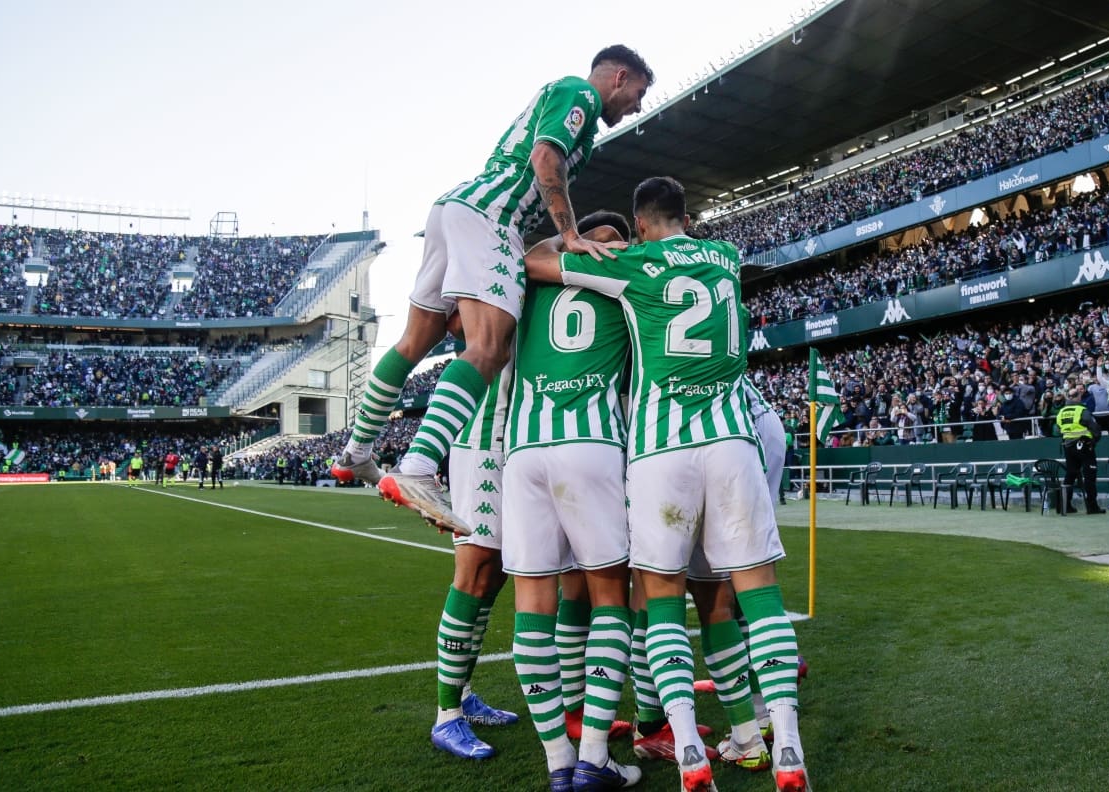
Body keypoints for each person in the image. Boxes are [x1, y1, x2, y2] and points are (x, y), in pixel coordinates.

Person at [524, 176, 809, 792]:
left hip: (661, 449)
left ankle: (686, 750)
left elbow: (537, 264)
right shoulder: (727, 257)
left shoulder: (636, 258)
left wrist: (576, 240)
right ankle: (784, 746)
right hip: (734, 440)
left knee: (660, 600)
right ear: (684, 215)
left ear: (643, 223)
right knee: (758, 592)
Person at [340, 45, 654, 534]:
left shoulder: (574, 113)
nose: (637, 105)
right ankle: (419, 467)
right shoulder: (580, 96)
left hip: (456, 208)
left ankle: (356, 453)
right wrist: (570, 234)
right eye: (638, 93)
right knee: (490, 348)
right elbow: (545, 156)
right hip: (491, 217)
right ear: (619, 77)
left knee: (413, 342)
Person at [503, 211, 639, 790]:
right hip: (591, 443)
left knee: (533, 601)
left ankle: (558, 762)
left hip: (525, 448)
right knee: (611, 595)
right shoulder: (628, 272)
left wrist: (567, 239)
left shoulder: (533, 273)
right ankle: (592, 757)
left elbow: (529, 252)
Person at [428, 362, 519, 762]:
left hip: (524, 437)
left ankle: (462, 696)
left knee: (494, 578)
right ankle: (446, 715)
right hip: (486, 440)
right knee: (474, 574)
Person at [1056, 386, 1105, 514]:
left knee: (1070, 475)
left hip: (1068, 446)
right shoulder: (1082, 410)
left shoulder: (1061, 412)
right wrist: (1093, 441)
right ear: (1078, 397)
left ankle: (1065, 505)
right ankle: (1092, 507)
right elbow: (1094, 427)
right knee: (1089, 475)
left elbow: (1057, 429)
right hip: (1084, 445)